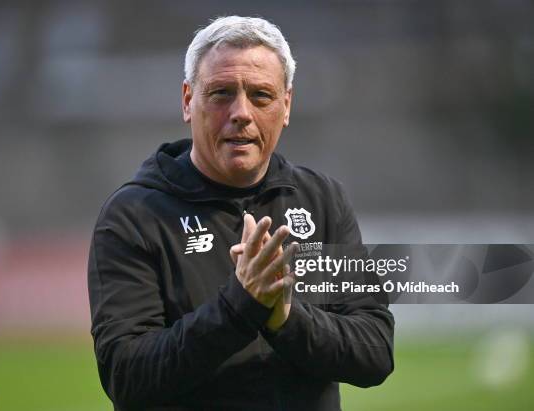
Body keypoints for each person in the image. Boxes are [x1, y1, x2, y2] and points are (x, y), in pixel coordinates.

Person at [88, 16, 394, 411]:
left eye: (261, 95)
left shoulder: (322, 201)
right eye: (221, 93)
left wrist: (285, 318)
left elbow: (375, 354)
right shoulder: (133, 216)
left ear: (286, 106)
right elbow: (126, 377)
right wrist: (239, 306)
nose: (241, 113)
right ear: (187, 101)